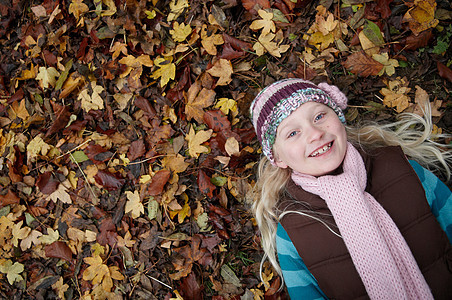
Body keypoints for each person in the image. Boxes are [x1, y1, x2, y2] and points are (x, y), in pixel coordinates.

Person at [249, 78, 452, 299]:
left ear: (338, 116)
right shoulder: (292, 230)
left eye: (319, 116)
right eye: (292, 133)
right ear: (278, 158)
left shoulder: (403, 170)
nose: (315, 133)